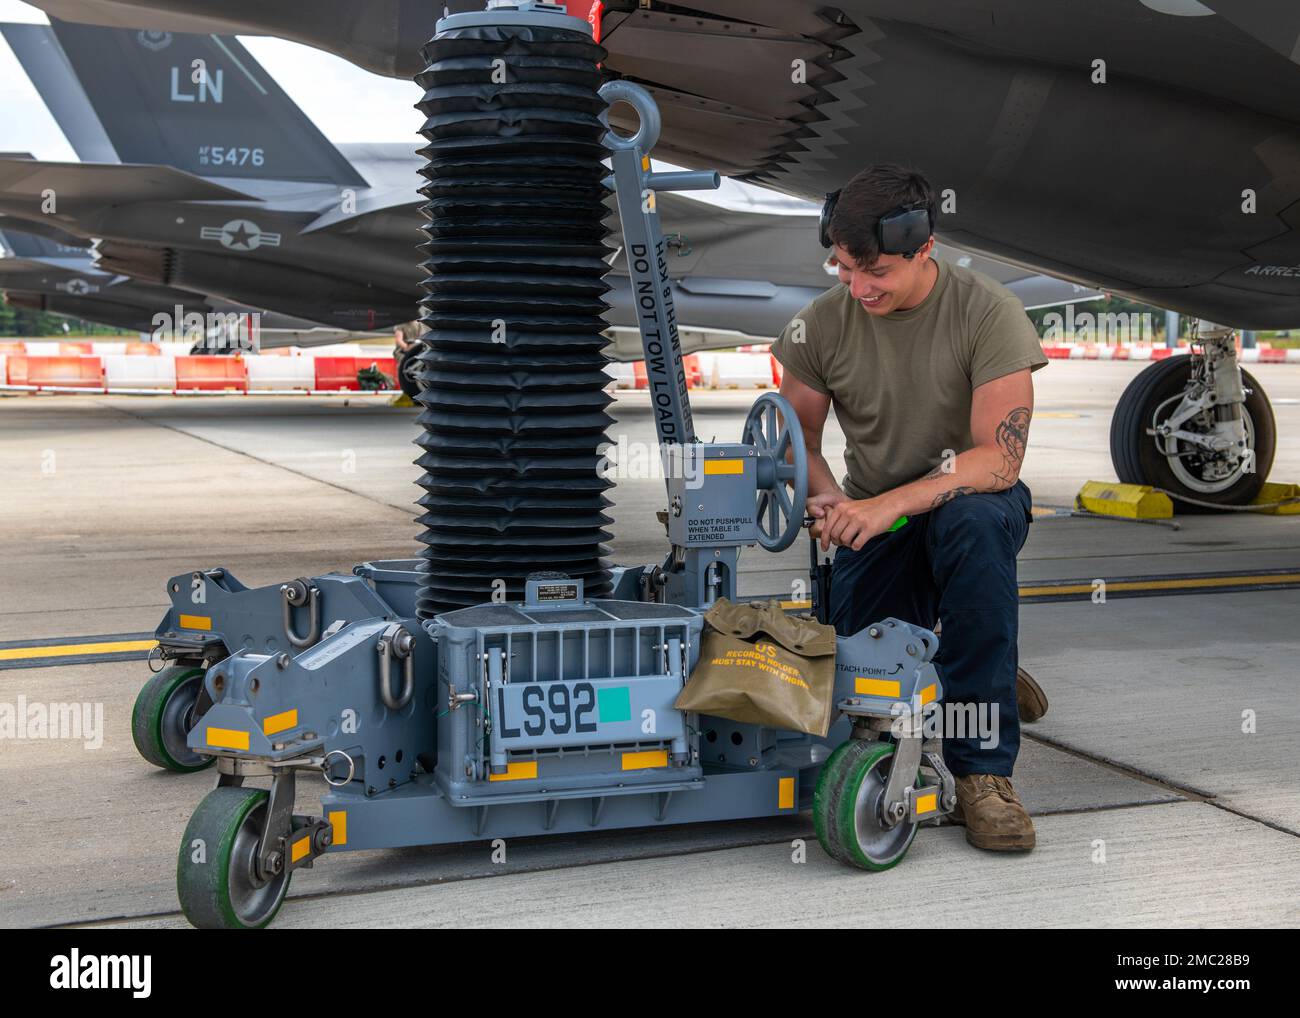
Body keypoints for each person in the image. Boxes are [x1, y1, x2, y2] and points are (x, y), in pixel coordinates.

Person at [770, 164, 1048, 852]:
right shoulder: (820, 325)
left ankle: (983, 776)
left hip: (969, 502)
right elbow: (794, 435)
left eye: (877, 272)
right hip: (877, 517)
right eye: (843, 267)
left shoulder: (987, 311)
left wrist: (884, 505)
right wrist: (828, 498)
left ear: (923, 249)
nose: (859, 287)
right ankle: (977, 663)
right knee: (859, 672)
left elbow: (998, 460)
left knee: (974, 522)